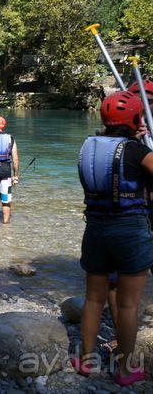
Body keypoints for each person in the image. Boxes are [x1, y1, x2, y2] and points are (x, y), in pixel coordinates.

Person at [73, 91, 153, 386]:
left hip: (94, 228)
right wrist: (142, 142)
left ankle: (85, 360)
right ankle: (123, 370)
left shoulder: (87, 146)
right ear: (135, 119)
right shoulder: (137, 151)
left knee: (94, 299)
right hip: (129, 229)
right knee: (129, 305)